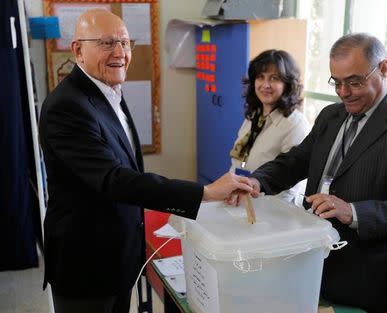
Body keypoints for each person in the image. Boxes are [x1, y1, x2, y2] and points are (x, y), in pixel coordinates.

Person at [38, 9, 252, 313]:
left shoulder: (109, 89)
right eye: (107, 43)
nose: (120, 53)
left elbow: (128, 170)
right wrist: (203, 193)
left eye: (125, 43)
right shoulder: (67, 107)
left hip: (119, 259)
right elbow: (113, 179)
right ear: (78, 50)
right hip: (86, 265)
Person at [246, 33, 387, 313]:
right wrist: (255, 180)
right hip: (318, 263)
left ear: (384, 68)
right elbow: (295, 161)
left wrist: (353, 212)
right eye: (337, 82)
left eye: (354, 81)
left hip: (374, 278)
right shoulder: (331, 115)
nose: (344, 92)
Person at [229, 49, 310, 205]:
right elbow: (237, 162)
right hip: (242, 201)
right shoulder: (254, 116)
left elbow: (290, 182)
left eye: (274, 78)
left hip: (271, 211)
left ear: (287, 84)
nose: (265, 85)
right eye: (260, 77)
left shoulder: (295, 124)